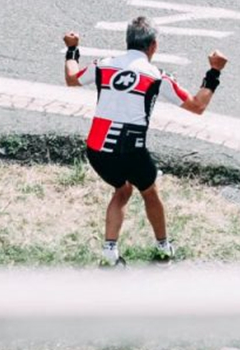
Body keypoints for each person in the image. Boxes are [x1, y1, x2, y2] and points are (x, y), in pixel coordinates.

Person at [61, 17, 226, 266]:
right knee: (149, 192)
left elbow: (72, 78)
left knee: (123, 189)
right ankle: (163, 247)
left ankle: (109, 252)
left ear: (128, 42)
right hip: (130, 147)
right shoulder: (157, 76)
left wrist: (72, 48)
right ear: (153, 46)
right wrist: (214, 71)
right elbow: (198, 105)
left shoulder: (104, 65)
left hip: (96, 147)